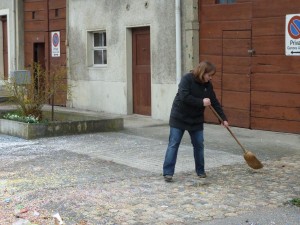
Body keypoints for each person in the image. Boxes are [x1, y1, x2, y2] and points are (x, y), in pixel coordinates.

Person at [163, 61, 229, 182]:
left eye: (212, 75)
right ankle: (168, 172)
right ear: (203, 72)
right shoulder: (187, 79)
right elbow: (184, 97)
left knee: (199, 145)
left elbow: (213, 101)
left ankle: (200, 171)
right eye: (209, 75)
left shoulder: (208, 85)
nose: (211, 77)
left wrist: (222, 118)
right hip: (179, 117)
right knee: (174, 144)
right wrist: (201, 102)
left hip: (196, 119)